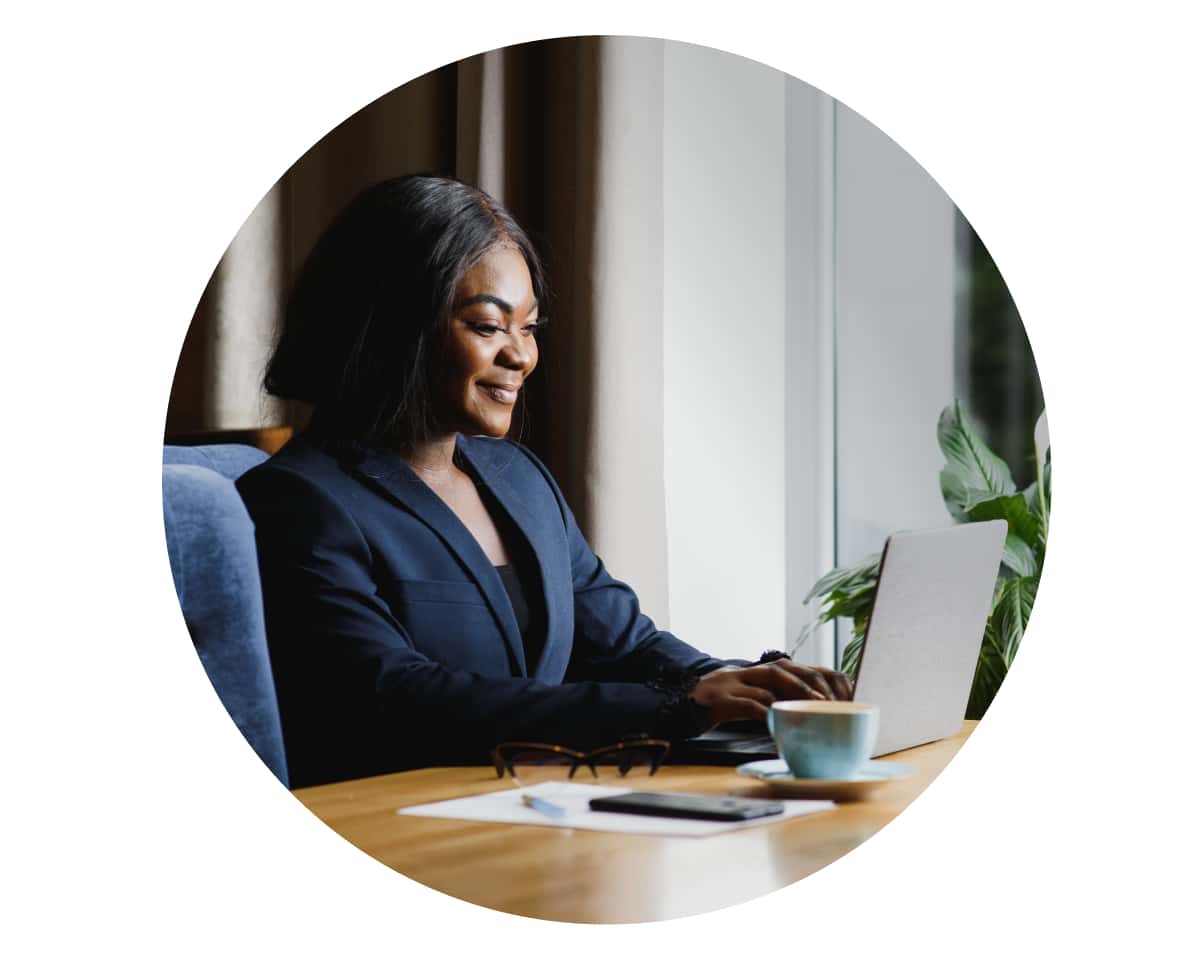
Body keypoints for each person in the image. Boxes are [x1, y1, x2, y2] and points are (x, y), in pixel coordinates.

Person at [237, 174, 851, 787]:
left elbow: (625, 645)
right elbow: (398, 695)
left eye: (528, 327)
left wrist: (739, 684)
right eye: (488, 325)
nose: (522, 356)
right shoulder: (295, 502)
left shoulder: (518, 479)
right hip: (400, 826)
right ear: (393, 325)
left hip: (536, 811)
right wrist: (680, 710)